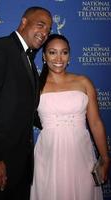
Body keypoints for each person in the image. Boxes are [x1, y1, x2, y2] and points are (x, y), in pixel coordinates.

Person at [0, 6, 52, 200]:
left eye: (48, 30)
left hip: (19, 166)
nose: (44, 33)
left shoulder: (27, 58)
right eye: (40, 25)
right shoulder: (0, 49)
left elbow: (23, 108)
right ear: (24, 22)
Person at [30, 34, 110, 200]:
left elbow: (95, 123)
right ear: (44, 56)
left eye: (64, 52)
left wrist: (105, 157)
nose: (59, 58)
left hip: (81, 152)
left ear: (70, 56)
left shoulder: (84, 82)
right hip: (49, 154)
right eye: (53, 52)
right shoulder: (35, 85)